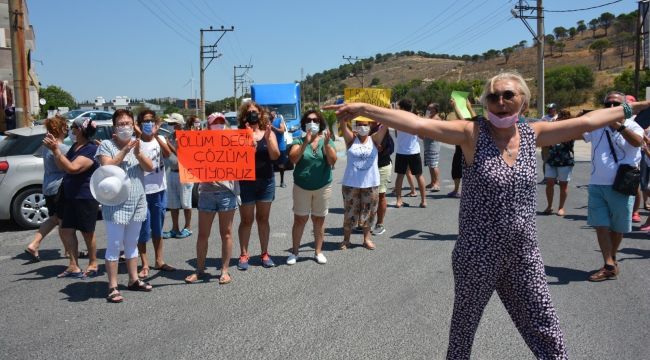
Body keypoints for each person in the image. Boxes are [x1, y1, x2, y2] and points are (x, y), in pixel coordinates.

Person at [326, 71, 650, 359]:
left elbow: (586, 122)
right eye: (493, 96)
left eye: (509, 94)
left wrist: (631, 108)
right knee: (464, 329)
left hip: (524, 253)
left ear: (523, 100)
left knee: (546, 326)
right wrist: (366, 109)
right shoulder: (472, 133)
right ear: (485, 103)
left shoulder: (532, 134)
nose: (501, 101)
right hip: (477, 253)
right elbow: (421, 124)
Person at [96, 109, 155, 303]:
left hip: (137, 201)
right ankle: (112, 286)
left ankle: (133, 279)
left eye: (128, 123)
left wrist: (137, 153)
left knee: (132, 243)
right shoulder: (106, 145)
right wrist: (125, 150)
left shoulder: (137, 144)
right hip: (115, 203)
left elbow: (149, 168)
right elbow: (107, 167)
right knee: (114, 244)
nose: (125, 127)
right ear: (114, 127)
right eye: (121, 124)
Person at [584, 91, 643, 282]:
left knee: (617, 228)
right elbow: (578, 132)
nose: (611, 108)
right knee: (601, 225)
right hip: (596, 183)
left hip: (621, 184)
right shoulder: (596, 126)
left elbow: (637, 142)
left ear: (624, 107)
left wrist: (617, 125)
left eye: (615, 104)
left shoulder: (634, 125)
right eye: (607, 104)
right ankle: (608, 263)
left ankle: (612, 257)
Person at [42, 117, 99, 279]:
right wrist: (55, 151)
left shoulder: (90, 149)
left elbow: (73, 168)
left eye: (73, 126)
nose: (70, 130)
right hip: (69, 195)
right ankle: (73, 266)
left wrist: (57, 151)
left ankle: (93, 264)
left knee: (87, 232)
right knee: (66, 230)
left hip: (85, 196)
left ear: (80, 129)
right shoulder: (75, 146)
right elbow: (63, 167)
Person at [185, 112, 238, 285]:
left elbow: (242, 161)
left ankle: (224, 271)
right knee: (202, 234)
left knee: (227, 233)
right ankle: (199, 270)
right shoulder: (199, 142)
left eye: (222, 122)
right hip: (206, 192)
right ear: (209, 125)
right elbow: (190, 164)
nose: (219, 125)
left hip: (227, 192)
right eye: (215, 122)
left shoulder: (233, 141)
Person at [286, 110, 337, 265]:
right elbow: (293, 159)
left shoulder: (327, 140)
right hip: (302, 187)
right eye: (309, 120)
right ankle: (295, 252)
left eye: (315, 120)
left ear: (320, 123)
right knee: (300, 219)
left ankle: (318, 252)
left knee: (319, 219)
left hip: (322, 186)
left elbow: (332, 161)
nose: (312, 123)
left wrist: (327, 145)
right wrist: (306, 143)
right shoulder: (298, 140)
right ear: (304, 123)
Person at [236, 101, 280, 270]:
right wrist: (247, 138)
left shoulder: (268, 133)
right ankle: (244, 254)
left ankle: (264, 253)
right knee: (246, 220)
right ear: (244, 116)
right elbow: (237, 160)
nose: (253, 115)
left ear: (261, 114)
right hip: (246, 183)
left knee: (263, 219)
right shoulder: (239, 134)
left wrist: (268, 138)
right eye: (249, 112)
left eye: (255, 112)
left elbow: (275, 156)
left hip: (266, 182)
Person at [134, 110, 174, 278]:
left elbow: (168, 154)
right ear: (139, 124)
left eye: (151, 120)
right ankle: (144, 263)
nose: (148, 123)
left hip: (159, 190)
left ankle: (159, 260)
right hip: (142, 191)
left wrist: (157, 136)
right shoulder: (136, 143)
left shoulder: (160, 139)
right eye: (145, 121)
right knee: (143, 229)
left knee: (158, 227)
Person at [25, 116, 71, 261]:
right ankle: (70, 252)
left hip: (48, 187)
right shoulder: (61, 148)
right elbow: (65, 167)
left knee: (54, 219)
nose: (68, 129)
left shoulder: (46, 145)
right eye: (66, 126)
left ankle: (35, 244)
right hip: (60, 187)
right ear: (61, 129)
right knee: (64, 222)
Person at [339, 115, 388, 251]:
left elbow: (386, 124)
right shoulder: (351, 140)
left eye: (365, 124)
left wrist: (386, 111)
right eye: (359, 124)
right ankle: (346, 240)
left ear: (371, 125)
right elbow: (342, 122)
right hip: (351, 183)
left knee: (369, 212)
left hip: (371, 183)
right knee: (349, 212)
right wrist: (349, 113)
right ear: (355, 126)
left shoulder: (374, 139)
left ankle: (367, 239)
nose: (362, 127)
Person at [162, 113, 193, 239]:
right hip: (172, 172)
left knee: (186, 203)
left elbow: (183, 155)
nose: (169, 126)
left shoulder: (187, 137)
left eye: (172, 124)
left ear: (179, 125)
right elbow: (166, 155)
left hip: (185, 173)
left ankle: (187, 227)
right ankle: (175, 228)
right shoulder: (169, 137)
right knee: (173, 203)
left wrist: (168, 144)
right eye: (169, 124)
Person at [393, 99, 427, 208]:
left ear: (402, 108)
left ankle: (399, 200)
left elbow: (396, 134)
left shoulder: (397, 119)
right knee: (419, 176)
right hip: (414, 151)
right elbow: (422, 136)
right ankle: (423, 201)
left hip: (402, 151)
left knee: (400, 176)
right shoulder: (415, 119)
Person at [542, 109, 575, 216]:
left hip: (564, 159)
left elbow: (568, 141)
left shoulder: (571, 128)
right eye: (560, 116)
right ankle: (549, 206)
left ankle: (561, 207)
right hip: (551, 158)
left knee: (563, 185)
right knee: (549, 183)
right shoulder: (553, 126)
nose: (561, 118)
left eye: (564, 117)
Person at [448, 97, 477, 198]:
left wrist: (455, 106)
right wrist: (468, 107)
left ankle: (461, 191)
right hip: (460, 149)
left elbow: (463, 121)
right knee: (456, 170)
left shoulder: (473, 125)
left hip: (465, 150)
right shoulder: (474, 123)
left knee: (462, 170)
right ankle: (456, 190)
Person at [370, 119, 394, 235]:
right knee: (368, 195)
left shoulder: (382, 129)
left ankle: (379, 224)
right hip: (368, 168)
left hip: (382, 166)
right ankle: (365, 222)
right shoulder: (365, 128)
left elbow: (381, 147)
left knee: (380, 195)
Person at [422, 103, 442, 192]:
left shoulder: (437, 119)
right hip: (427, 143)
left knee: (434, 164)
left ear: (435, 109)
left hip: (433, 145)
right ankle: (432, 182)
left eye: (430, 108)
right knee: (430, 164)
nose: (428, 110)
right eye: (427, 108)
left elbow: (438, 132)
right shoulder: (429, 118)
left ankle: (437, 183)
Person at [540, 103, 559, 181]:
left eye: (551, 109)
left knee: (557, 160)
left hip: (556, 142)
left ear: (555, 109)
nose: (549, 110)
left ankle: (556, 178)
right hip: (546, 142)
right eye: (548, 109)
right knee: (546, 160)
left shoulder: (558, 117)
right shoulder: (544, 118)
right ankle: (546, 178)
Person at [270, 110, 288, 188]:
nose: (271, 113)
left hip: (280, 146)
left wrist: (273, 127)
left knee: (281, 165)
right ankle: (271, 183)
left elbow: (282, 131)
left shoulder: (279, 120)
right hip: (271, 146)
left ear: (275, 113)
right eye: (270, 112)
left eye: (273, 112)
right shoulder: (267, 121)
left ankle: (282, 181)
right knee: (270, 166)